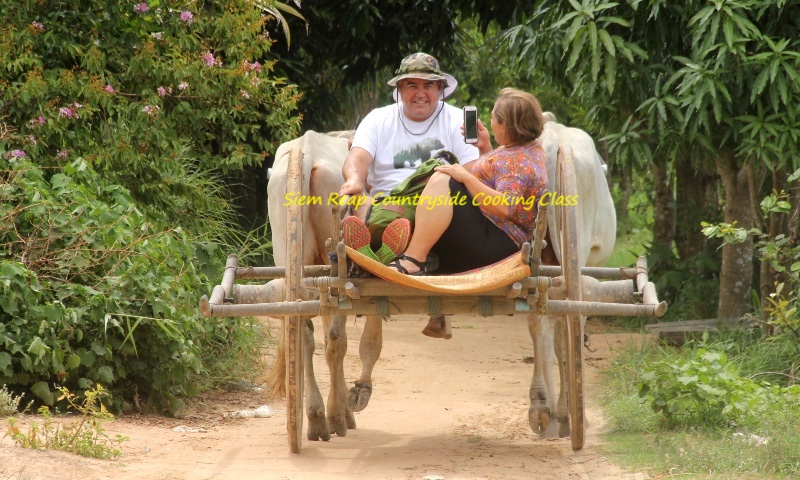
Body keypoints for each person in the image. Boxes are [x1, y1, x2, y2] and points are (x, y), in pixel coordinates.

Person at [387, 87, 549, 278]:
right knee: (445, 178)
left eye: (493, 118)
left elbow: (505, 206)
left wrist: (466, 177)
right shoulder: (528, 149)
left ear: (504, 125)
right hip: (495, 240)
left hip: (495, 250)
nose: (490, 123)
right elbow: (499, 179)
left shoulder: (516, 164)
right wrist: (485, 148)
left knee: (444, 180)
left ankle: (413, 259)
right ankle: (406, 245)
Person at [339, 52, 480, 222]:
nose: (420, 94)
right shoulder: (377, 118)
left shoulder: (457, 120)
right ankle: (377, 232)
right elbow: (358, 158)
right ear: (399, 88)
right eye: (412, 86)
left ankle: (389, 233)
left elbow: (472, 173)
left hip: (438, 210)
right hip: (383, 204)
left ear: (439, 89)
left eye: (428, 86)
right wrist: (354, 179)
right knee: (362, 204)